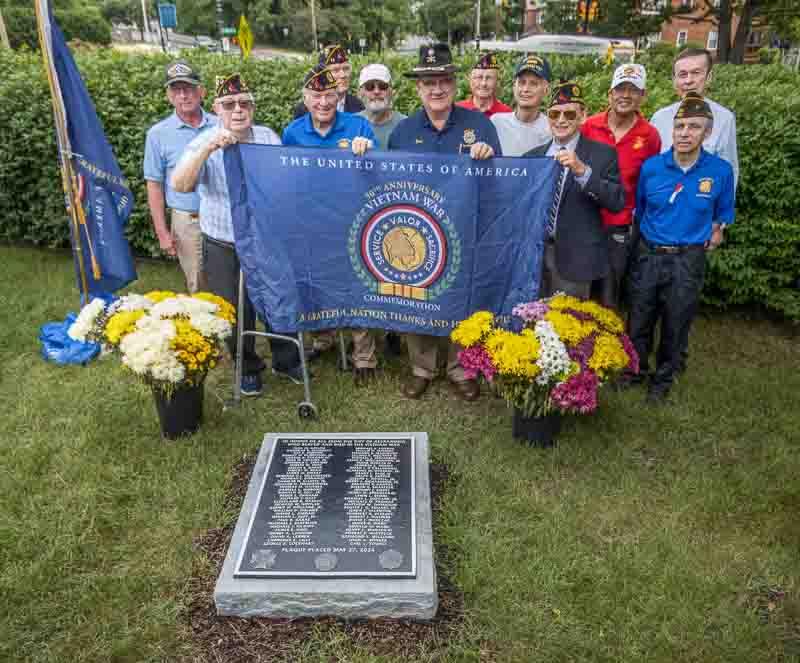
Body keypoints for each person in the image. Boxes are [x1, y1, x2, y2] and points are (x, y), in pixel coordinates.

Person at [170, 74, 303, 397]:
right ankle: (248, 367)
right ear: (217, 108)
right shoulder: (203, 140)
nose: (238, 110)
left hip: (264, 238)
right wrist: (208, 149)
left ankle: (286, 360)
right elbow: (181, 184)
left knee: (276, 297)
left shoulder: (267, 137)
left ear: (253, 108)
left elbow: (285, 183)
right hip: (223, 241)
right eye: (229, 104)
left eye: (244, 103)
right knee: (233, 308)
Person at [387, 43, 502, 401]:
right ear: (418, 88)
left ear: (454, 84)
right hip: (417, 230)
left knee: (463, 296)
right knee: (416, 295)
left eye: (443, 81)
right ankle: (422, 367)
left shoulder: (480, 126)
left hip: (465, 227)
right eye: (428, 82)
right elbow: (388, 183)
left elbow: (498, 181)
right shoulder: (403, 131)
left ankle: (461, 368)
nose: (436, 89)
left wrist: (489, 157)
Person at [626, 93, 735, 404]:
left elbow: (723, 212)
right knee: (640, 315)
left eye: (694, 127)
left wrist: (716, 231)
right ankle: (635, 370)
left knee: (676, 321)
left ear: (707, 132)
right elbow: (642, 209)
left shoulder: (720, 172)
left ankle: (662, 379)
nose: (685, 133)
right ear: (672, 131)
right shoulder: (652, 168)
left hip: (688, 258)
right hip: (650, 252)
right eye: (680, 126)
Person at [283, 64, 378, 385]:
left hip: (354, 220)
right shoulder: (292, 132)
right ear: (305, 98)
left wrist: (367, 153)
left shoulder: (359, 126)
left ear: (340, 96)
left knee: (358, 285)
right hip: (310, 221)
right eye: (316, 96)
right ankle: (323, 340)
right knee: (316, 280)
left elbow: (377, 175)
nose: (323, 102)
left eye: (329, 95)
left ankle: (363, 357)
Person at [650, 47, 738, 371]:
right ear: (674, 79)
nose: (689, 80)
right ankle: (643, 360)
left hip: (695, 231)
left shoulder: (724, 119)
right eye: (682, 74)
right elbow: (651, 172)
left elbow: (730, 173)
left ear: (708, 77)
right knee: (649, 298)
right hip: (658, 227)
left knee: (682, 301)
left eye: (696, 73)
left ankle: (674, 360)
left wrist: (720, 225)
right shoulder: (660, 117)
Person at [524, 81, 625, 299]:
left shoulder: (602, 154)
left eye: (569, 114)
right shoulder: (532, 156)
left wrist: (582, 172)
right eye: (554, 114)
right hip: (534, 258)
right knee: (529, 323)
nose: (561, 120)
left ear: (582, 115)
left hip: (576, 259)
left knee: (567, 326)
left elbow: (617, 202)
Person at [580, 64, 661, 310]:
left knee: (609, 295)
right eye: (620, 89)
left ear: (642, 96)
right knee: (580, 293)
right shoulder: (588, 126)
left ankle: (607, 346)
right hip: (585, 221)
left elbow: (650, 185)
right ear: (610, 94)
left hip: (619, 227)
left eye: (633, 90)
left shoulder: (650, 135)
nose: (625, 95)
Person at [143, 60, 217, 293]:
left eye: (189, 88)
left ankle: (235, 329)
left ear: (201, 92)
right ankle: (210, 330)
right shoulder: (157, 134)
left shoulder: (221, 124)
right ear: (169, 96)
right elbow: (154, 186)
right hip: (188, 221)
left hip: (223, 217)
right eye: (176, 90)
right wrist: (162, 233)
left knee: (231, 282)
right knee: (198, 285)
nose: (183, 95)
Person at [490, 53, 552, 157]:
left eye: (533, 83)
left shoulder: (551, 129)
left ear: (546, 90)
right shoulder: (496, 123)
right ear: (514, 87)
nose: (526, 89)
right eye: (522, 82)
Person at [292, 45, 364, 119]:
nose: (343, 75)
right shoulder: (304, 109)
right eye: (335, 70)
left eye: (346, 69)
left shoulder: (358, 106)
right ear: (322, 74)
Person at [356, 63, 407, 149]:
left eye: (382, 86)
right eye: (370, 87)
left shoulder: (406, 126)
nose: (376, 91)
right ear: (360, 93)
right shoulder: (351, 124)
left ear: (391, 92)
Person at [455, 51, 512, 118]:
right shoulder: (456, 111)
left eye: (489, 78)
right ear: (470, 80)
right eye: (479, 77)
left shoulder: (506, 114)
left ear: (497, 81)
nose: (483, 83)